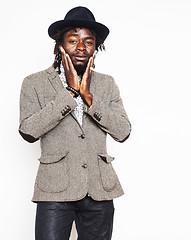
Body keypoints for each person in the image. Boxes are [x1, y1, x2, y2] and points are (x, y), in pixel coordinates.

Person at [19, 6, 131, 240]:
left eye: (88, 42)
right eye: (73, 40)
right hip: (54, 190)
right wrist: (69, 93)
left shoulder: (107, 84)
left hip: (100, 191)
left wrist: (89, 98)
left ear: (95, 48)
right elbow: (28, 131)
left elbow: (123, 132)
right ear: (60, 45)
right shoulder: (34, 83)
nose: (81, 47)